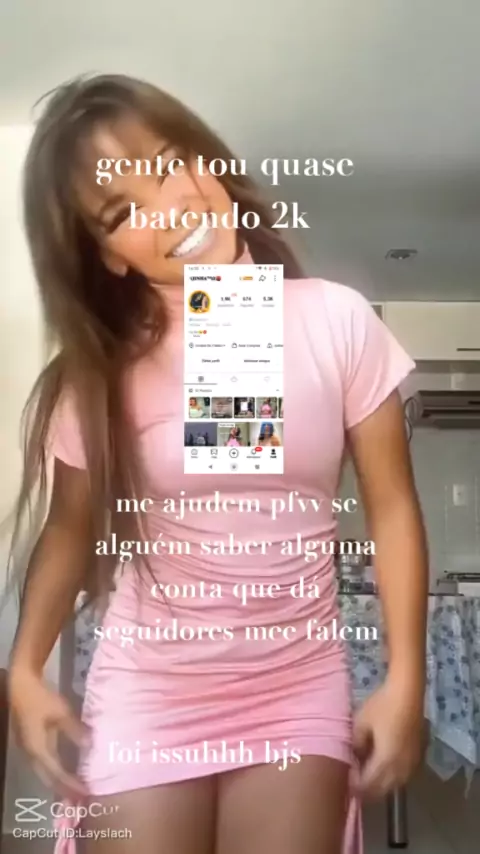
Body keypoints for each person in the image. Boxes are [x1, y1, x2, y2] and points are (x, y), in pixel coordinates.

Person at [6, 74, 428, 854]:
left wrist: (407, 678)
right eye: (123, 212)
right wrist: (25, 669)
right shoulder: (99, 375)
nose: (172, 208)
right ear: (109, 259)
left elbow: (393, 507)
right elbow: (68, 530)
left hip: (293, 690)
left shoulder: (333, 318)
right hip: (150, 694)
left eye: (171, 164)